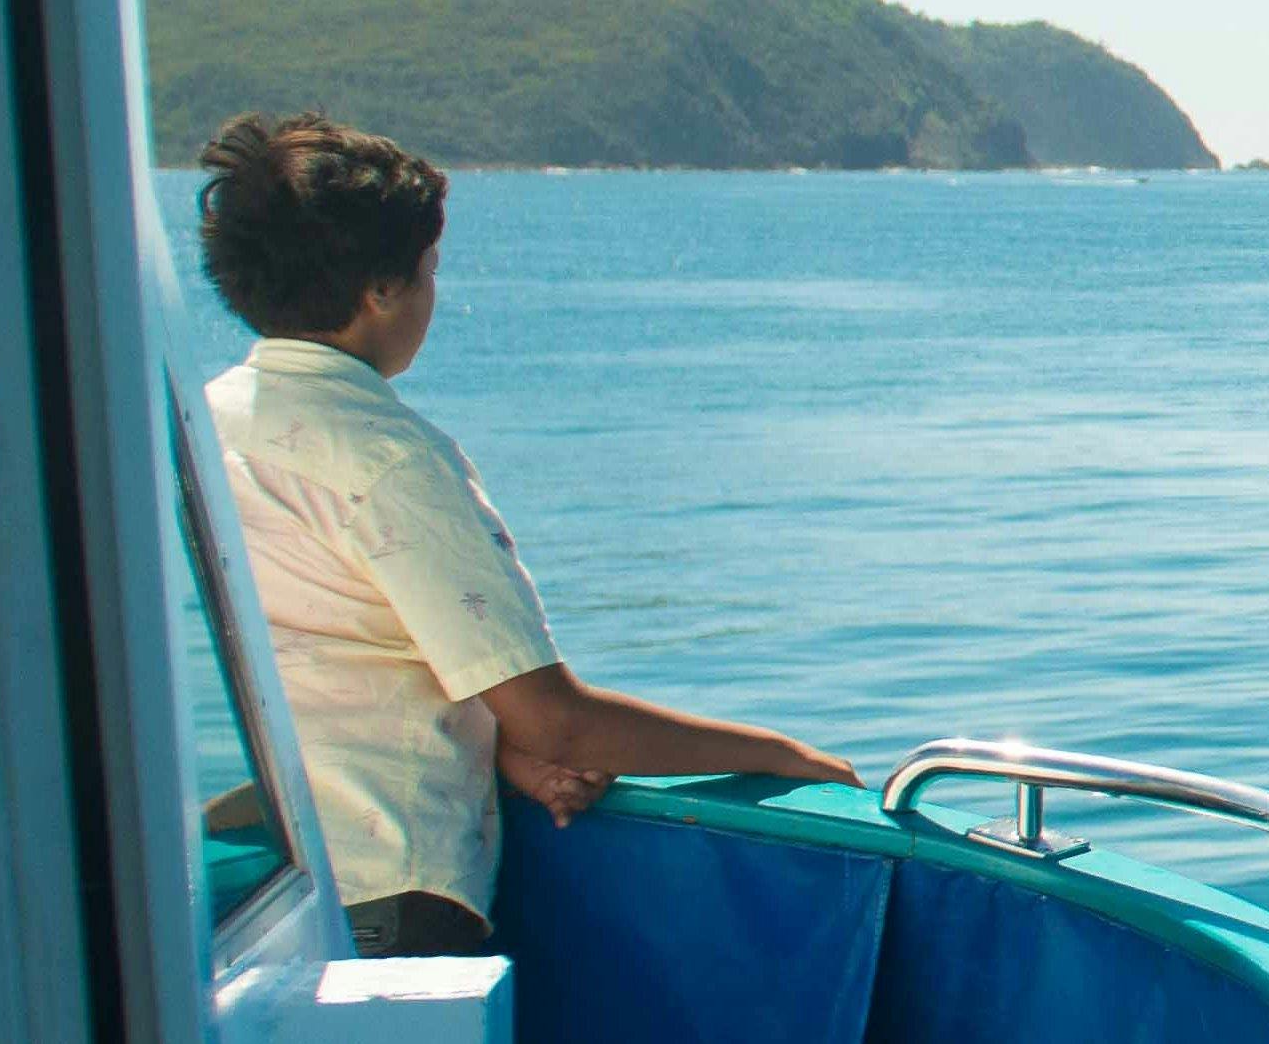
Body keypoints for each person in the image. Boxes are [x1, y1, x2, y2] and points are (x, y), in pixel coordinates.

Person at [192, 110, 859, 955]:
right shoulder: (389, 463)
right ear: (382, 289)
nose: (433, 292)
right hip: (391, 900)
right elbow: (559, 721)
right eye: (429, 268)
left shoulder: (208, 426)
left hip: (257, 892)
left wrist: (498, 745)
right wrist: (782, 754)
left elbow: (333, 645)